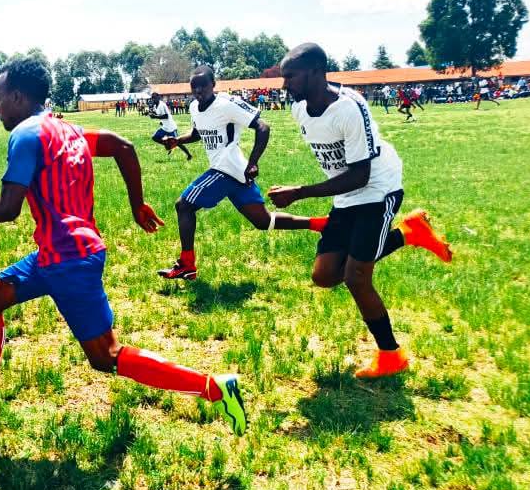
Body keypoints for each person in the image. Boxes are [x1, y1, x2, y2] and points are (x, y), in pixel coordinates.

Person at [0, 58, 247, 434]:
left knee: (106, 357)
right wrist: (136, 204)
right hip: (56, 255)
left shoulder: (26, 135)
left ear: (16, 96)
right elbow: (122, 146)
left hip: (69, 261)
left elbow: (8, 208)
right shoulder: (67, 130)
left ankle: (214, 388)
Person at [269, 43, 453, 379]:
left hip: (377, 188)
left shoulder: (350, 107)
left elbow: (360, 174)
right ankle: (410, 233)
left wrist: (299, 192)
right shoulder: (299, 110)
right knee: (324, 276)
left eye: (291, 77)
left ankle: (391, 355)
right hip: (346, 195)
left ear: (315, 72)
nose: (285, 85)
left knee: (356, 276)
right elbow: (342, 174)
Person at [156, 66, 328, 280]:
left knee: (184, 205)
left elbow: (263, 127)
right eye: (194, 87)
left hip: (227, 168)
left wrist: (254, 162)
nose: (198, 90)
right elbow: (197, 133)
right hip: (236, 173)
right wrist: (178, 140)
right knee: (263, 222)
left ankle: (187, 265)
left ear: (213, 85)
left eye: (203, 85)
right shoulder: (193, 107)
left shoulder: (226, 104)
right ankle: (322, 224)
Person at [149, 92, 191, 160]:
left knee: (178, 142)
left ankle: (189, 155)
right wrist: (153, 115)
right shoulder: (155, 106)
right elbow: (160, 115)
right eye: (152, 98)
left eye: (155, 97)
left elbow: (166, 116)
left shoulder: (162, 105)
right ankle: (168, 145)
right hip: (165, 127)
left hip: (171, 127)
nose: (153, 99)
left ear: (158, 97)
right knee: (154, 137)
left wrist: (155, 117)